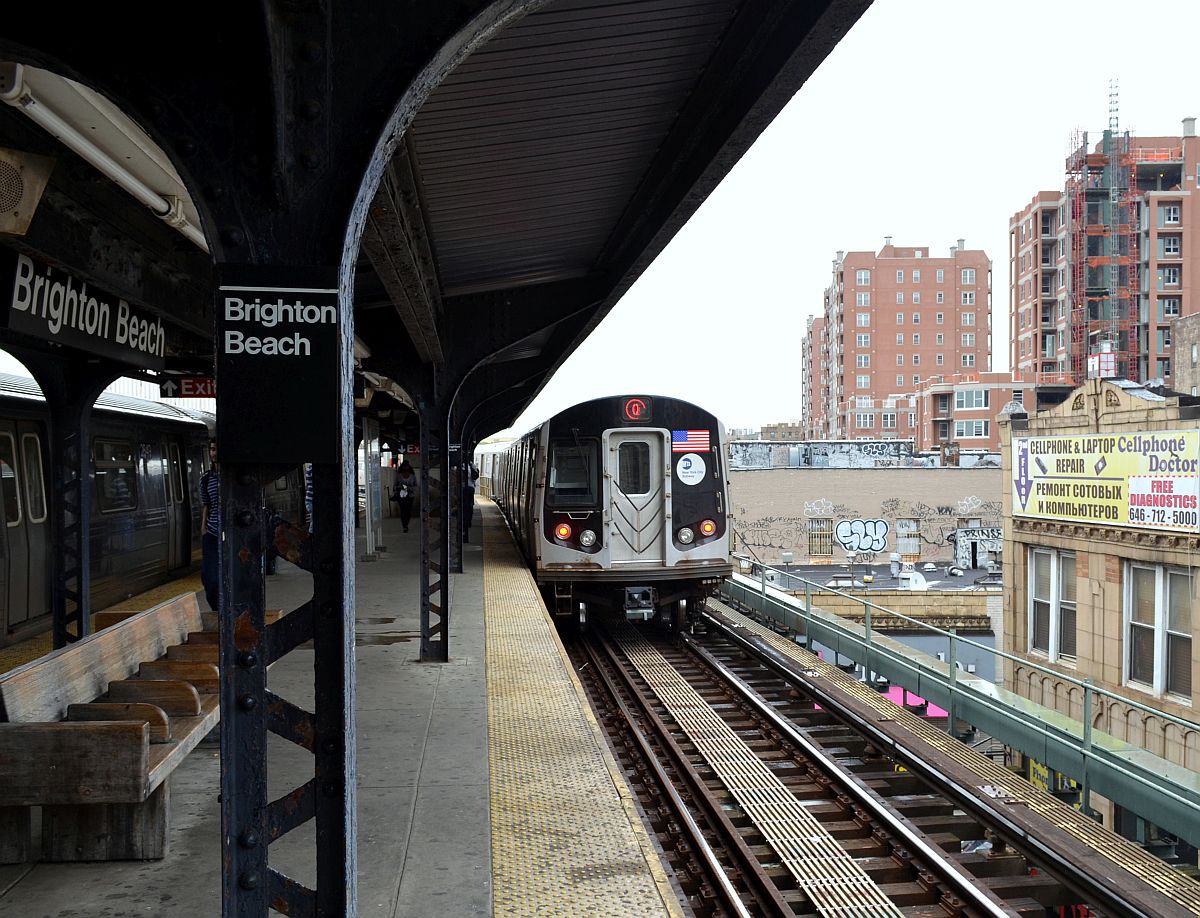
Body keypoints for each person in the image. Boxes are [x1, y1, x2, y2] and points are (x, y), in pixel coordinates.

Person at [199, 440, 220, 612]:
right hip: (212, 534)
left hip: (233, 535)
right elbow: (207, 504)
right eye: (212, 449)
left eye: (217, 449)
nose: (214, 453)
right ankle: (217, 611)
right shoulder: (206, 479)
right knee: (210, 579)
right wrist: (203, 528)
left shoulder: (234, 477)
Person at [393, 460, 416, 532]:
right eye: (404, 467)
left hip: (410, 495)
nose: (405, 469)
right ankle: (404, 526)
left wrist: (409, 488)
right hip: (401, 495)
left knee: (408, 511)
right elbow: (395, 486)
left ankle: (406, 524)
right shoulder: (399, 476)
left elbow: (415, 486)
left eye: (407, 467)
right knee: (403, 510)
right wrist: (399, 488)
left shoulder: (412, 476)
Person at [461, 460, 478, 541]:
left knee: (463, 505)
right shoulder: (472, 465)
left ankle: (463, 521)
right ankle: (469, 521)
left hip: (463, 488)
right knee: (470, 505)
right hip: (471, 487)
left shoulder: (460, 466)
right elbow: (476, 476)